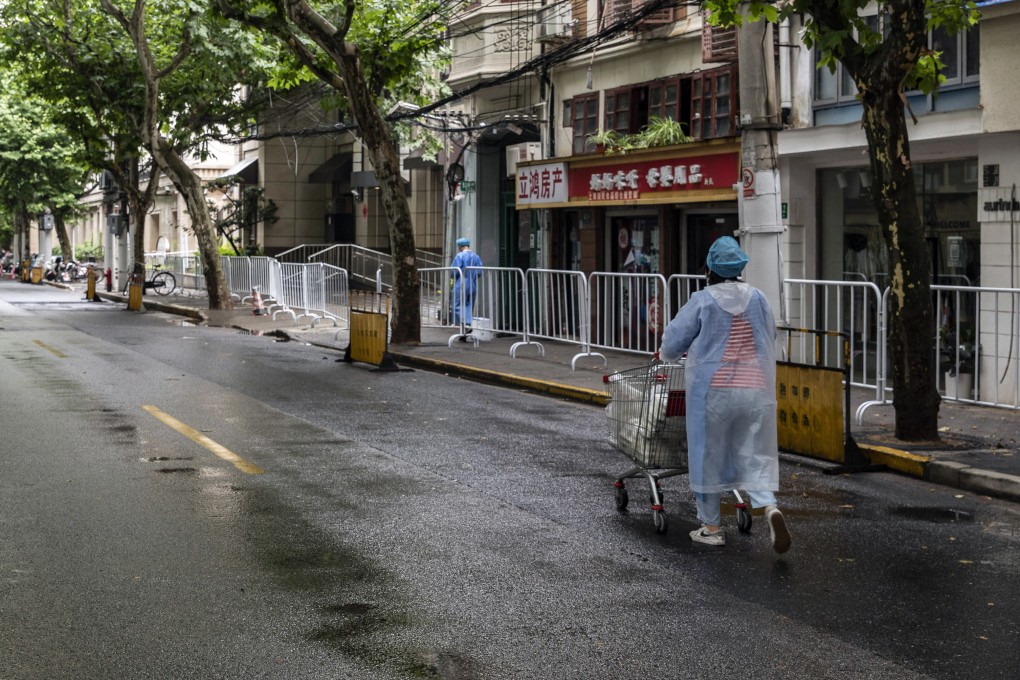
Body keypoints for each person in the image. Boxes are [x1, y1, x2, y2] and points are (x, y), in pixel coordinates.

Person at [658, 236, 791, 553]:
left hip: (714, 392)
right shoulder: (758, 297)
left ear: (710, 269)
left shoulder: (703, 300)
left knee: (708, 454)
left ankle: (711, 527)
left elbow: (675, 338)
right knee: (752, 450)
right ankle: (768, 505)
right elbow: (768, 334)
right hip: (754, 389)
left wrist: (666, 353)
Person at [451, 237, 482, 338]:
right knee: (469, 305)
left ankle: (466, 323)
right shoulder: (476, 257)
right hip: (473, 284)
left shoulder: (459, 256)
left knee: (457, 304)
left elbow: (454, 271)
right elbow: (479, 272)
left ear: (460, 246)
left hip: (461, 283)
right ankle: (466, 327)